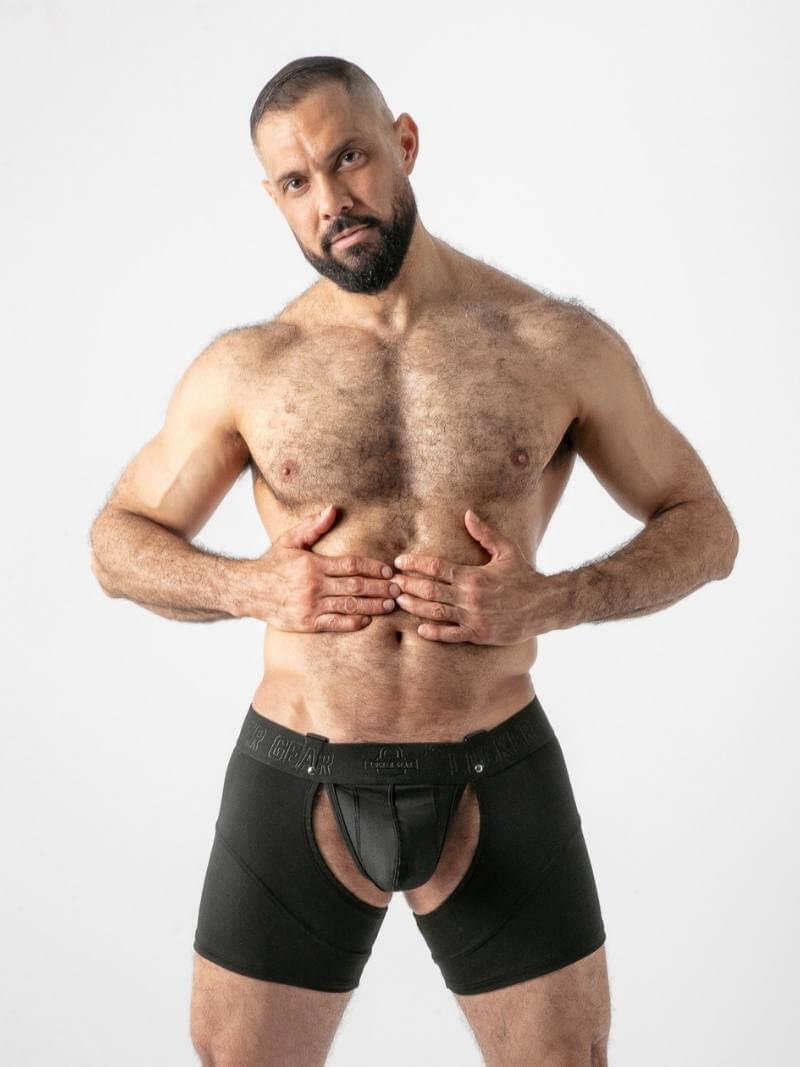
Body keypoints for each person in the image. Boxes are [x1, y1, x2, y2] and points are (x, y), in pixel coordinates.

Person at [89, 55, 739, 1067]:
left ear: (402, 143)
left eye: (347, 158)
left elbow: (705, 527)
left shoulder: (550, 341)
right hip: (294, 762)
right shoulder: (247, 368)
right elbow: (117, 543)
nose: (330, 200)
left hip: (494, 755)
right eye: (296, 183)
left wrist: (553, 597)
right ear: (273, 199)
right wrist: (249, 585)